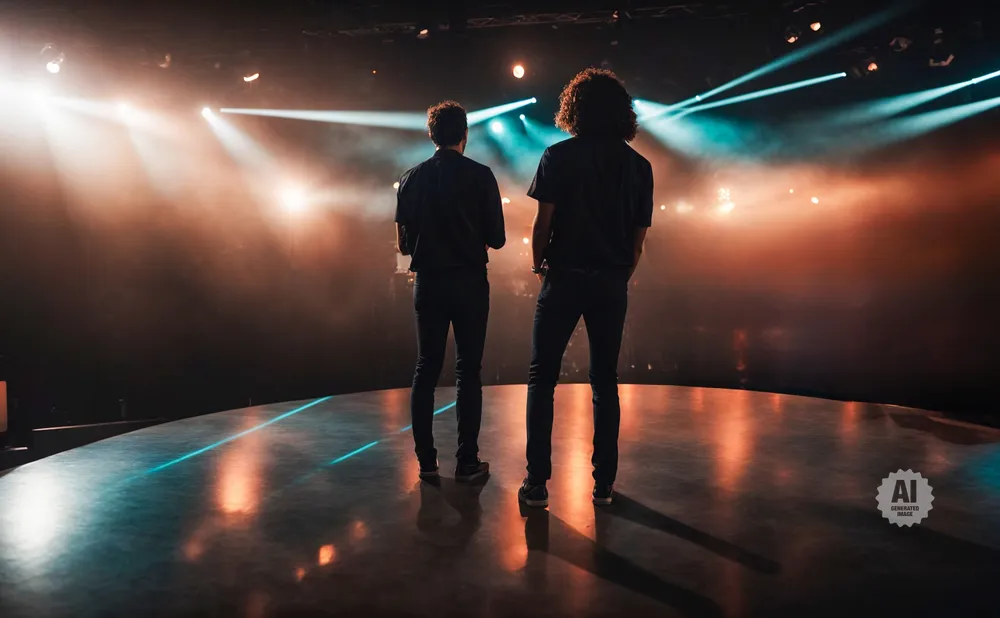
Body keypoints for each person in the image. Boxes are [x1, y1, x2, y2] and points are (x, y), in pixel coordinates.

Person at [518, 69, 653, 508]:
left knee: (542, 379)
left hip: (563, 277)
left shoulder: (557, 156)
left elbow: (543, 224)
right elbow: (637, 243)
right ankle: (604, 485)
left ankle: (537, 483)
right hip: (611, 281)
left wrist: (538, 264)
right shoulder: (639, 166)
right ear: (622, 113)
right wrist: (618, 274)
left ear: (573, 108)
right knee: (604, 381)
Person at [395, 101, 506, 483]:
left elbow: (404, 245)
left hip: (429, 281)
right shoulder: (481, 176)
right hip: (470, 282)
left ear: (432, 135)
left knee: (426, 367)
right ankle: (467, 461)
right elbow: (499, 238)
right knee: (468, 371)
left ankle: (426, 462)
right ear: (465, 135)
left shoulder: (412, 178)